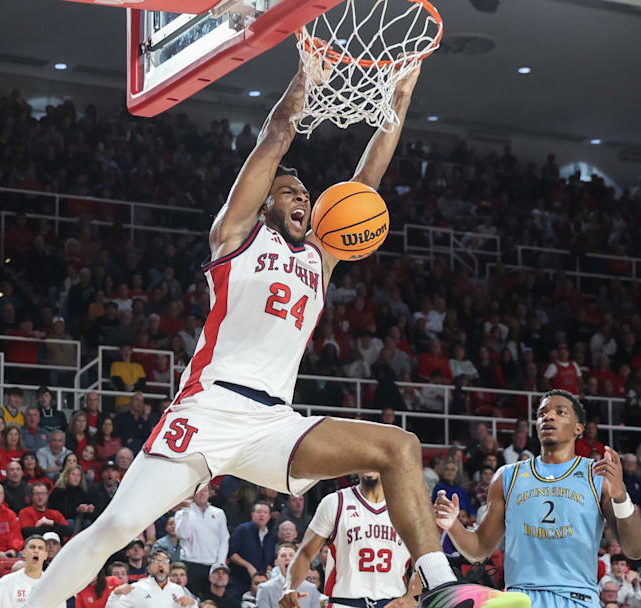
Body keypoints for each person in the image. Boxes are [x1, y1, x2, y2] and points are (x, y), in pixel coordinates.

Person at [28, 63, 519, 608]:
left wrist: (397, 102)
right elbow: (277, 134)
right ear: (265, 202)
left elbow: (365, 185)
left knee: (399, 446)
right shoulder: (234, 236)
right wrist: (306, 76)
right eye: (289, 191)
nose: (301, 199)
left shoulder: (319, 255)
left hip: (273, 422)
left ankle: (439, 588)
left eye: (306, 195)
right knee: (115, 527)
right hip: (209, 410)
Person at [435, 390, 641, 608]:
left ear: (578, 429)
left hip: (578, 598)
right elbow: (479, 549)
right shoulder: (508, 476)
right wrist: (453, 525)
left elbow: (636, 549)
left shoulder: (597, 476)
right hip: (522, 598)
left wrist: (621, 496)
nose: (548, 417)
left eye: (560, 412)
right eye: (541, 413)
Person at [284, 472, 412, 607]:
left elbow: (422, 562)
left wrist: (413, 597)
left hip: (393, 602)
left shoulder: (407, 508)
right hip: (344, 602)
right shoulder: (335, 502)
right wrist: (290, 587)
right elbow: (305, 553)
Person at [108, 548, 195, 608]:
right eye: (156, 561)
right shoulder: (137, 588)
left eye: (165, 561)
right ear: (148, 568)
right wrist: (115, 595)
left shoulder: (178, 589)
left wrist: (193, 604)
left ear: (169, 566)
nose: (161, 565)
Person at [228, 502, 277, 598]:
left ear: (269, 516)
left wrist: (268, 570)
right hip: (240, 580)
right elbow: (232, 554)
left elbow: (270, 560)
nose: (262, 515)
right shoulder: (242, 530)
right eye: (258, 512)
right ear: (252, 514)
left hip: (261, 583)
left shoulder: (271, 535)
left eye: (265, 512)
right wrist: (247, 565)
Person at [256, 543, 320, 608]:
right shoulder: (265, 588)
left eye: (291, 555)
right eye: (283, 556)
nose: (287, 558)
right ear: (276, 562)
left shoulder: (311, 588)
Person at [1, 535, 52, 608]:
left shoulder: (52, 583)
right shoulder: (6, 581)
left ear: (45, 555)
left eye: (40, 548)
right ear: (24, 553)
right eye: (32, 547)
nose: (36, 550)